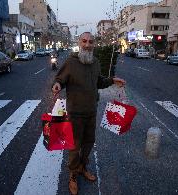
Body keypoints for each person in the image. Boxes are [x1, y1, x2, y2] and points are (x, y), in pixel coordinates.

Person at [52, 32, 126, 195]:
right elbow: (60, 79)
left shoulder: (95, 62)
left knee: (88, 142)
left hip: (91, 111)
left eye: (90, 42)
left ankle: (82, 167)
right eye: (84, 41)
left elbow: (98, 81)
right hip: (75, 113)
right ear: (79, 42)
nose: (87, 44)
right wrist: (57, 84)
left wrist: (113, 80)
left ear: (94, 44)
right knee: (74, 145)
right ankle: (72, 175)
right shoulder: (71, 62)